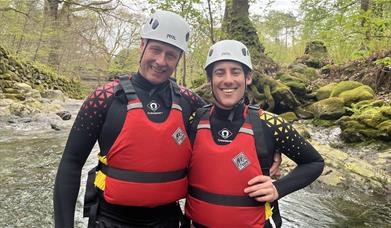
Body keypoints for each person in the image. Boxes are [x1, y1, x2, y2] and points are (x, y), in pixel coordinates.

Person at [53, 10, 207, 228]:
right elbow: (71, 162)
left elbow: (228, 126)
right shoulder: (103, 99)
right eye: (156, 49)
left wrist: (273, 153)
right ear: (142, 45)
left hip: (168, 221)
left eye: (171, 55)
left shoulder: (189, 102)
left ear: (179, 59)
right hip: (110, 221)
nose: (160, 61)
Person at [184, 40, 325, 228]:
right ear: (210, 79)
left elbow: (314, 163)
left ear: (248, 77)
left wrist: (278, 188)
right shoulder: (194, 119)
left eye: (235, 72)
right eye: (219, 72)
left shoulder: (270, 123)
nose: (228, 80)